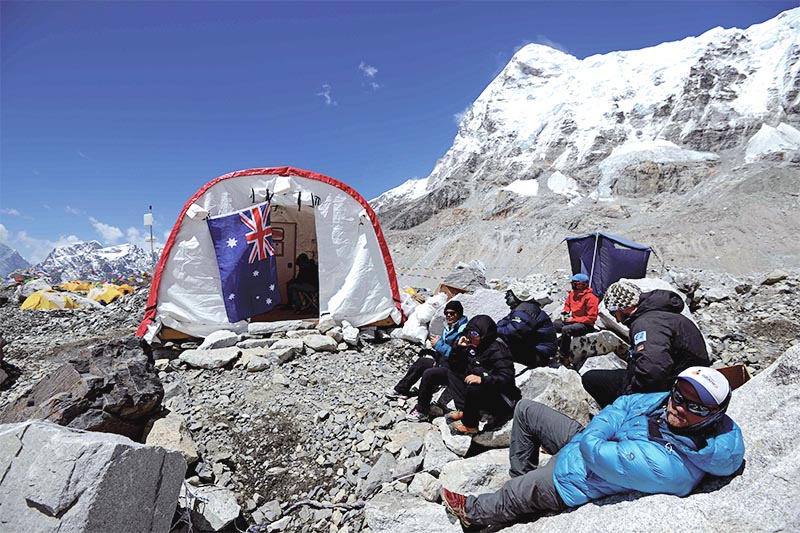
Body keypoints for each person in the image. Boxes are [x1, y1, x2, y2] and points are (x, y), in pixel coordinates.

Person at [442, 366, 745, 529]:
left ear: (715, 415)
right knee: (525, 410)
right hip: (589, 445)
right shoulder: (667, 405)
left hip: (575, 478)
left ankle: (473, 514)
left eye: (697, 407)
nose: (679, 407)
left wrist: (602, 431)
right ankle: (521, 485)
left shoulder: (671, 466)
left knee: (514, 493)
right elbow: (625, 402)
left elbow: (595, 452)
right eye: (678, 396)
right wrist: (602, 431)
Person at [582, 280, 710, 408]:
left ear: (621, 309)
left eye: (613, 313)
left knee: (591, 379)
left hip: (669, 391)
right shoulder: (666, 315)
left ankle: (622, 414)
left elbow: (653, 370)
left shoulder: (647, 324)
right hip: (688, 382)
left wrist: (630, 396)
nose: (615, 319)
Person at [386, 300, 468, 400]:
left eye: (452, 313)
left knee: (428, 374)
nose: (449, 316)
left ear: (459, 314)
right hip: (444, 363)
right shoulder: (449, 327)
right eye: (446, 313)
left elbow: (458, 356)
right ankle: (401, 389)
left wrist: (438, 345)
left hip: (454, 371)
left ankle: (422, 409)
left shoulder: (463, 332)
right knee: (421, 362)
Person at [496, 284, 558, 368]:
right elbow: (503, 323)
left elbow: (513, 331)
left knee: (496, 344)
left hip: (539, 355)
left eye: (508, 295)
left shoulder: (524, 310)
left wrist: (494, 331)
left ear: (517, 296)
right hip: (539, 352)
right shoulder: (524, 308)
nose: (505, 297)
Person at [552, 273, 600, 369]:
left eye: (575, 283)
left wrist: (573, 319)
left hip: (586, 325)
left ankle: (563, 356)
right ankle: (551, 347)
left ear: (582, 284)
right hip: (573, 321)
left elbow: (591, 318)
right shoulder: (573, 294)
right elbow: (567, 304)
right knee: (552, 325)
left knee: (566, 330)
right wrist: (566, 310)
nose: (573, 285)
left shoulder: (591, 298)